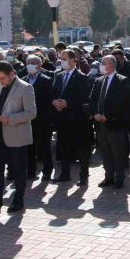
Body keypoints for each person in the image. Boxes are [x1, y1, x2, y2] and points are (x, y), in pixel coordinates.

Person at [0, 61, 36, 213]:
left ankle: (18, 201)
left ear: (12, 74)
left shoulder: (25, 87)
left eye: (3, 78)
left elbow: (31, 113)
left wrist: (10, 119)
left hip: (17, 136)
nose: (0, 81)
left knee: (18, 170)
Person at [89, 55, 130, 188]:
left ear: (112, 65)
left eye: (104, 63)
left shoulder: (122, 81)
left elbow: (123, 103)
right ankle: (108, 176)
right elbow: (92, 99)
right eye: (101, 62)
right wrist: (95, 113)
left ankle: (119, 178)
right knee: (105, 152)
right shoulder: (98, 81)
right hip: (100, 124)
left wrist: (108, 115)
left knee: (117, 152)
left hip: (115, 123)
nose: (101, 65)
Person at [51, 49, 91, 186]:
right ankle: (64, 174)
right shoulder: (59, 76)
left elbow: (85, 98)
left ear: (74, 60)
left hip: (77, 118)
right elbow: (54, 92)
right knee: (63, 147)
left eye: (65, 58)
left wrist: (68, 103)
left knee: (81, 148)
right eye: (61, 58)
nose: (62, 61)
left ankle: (83, 176)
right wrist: (54, 101)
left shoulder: (81, 77)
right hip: (62, 118)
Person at [22, 54, 54, 181]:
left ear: (40, 66)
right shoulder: (22, 80)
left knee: (44, 146)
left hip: (42, 119)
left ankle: (47, 171)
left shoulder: (46, 80)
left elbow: (47, 100)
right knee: (29, 147)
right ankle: (31, 171)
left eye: (34, 62)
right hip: (26, 120)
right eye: (28, 62)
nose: (30, 64)